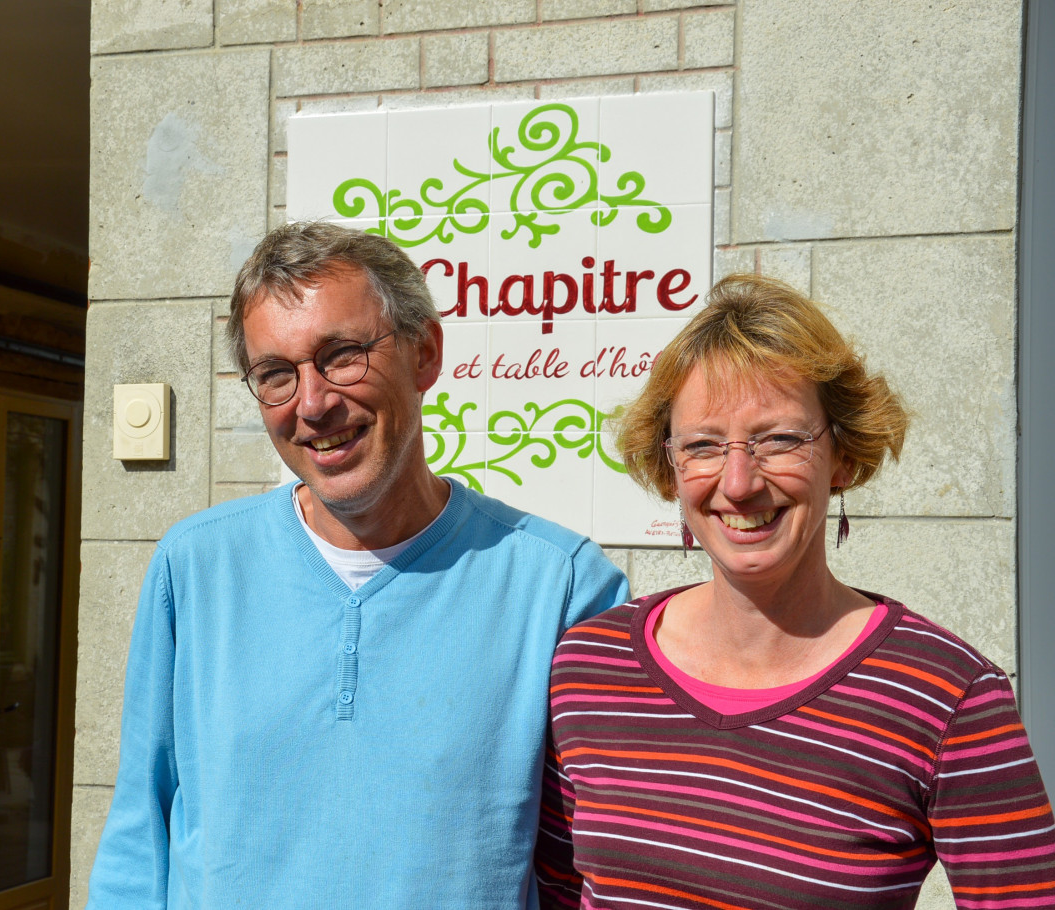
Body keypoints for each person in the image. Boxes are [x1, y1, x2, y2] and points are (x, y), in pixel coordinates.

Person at [87, 222, 630, 909]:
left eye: (342, 356)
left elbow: (594, 866)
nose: (311, 405)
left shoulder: (561, 586)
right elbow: (140, 833)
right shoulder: (195, 567)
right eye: (276, 375)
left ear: (425, 354)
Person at [536, 274, 1055, 908]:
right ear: (670, 467)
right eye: (702, 446)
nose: (739, 481)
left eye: (779, 440)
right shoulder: (589, 666)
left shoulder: (947, 696)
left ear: (842, 455)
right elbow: (556, 890)